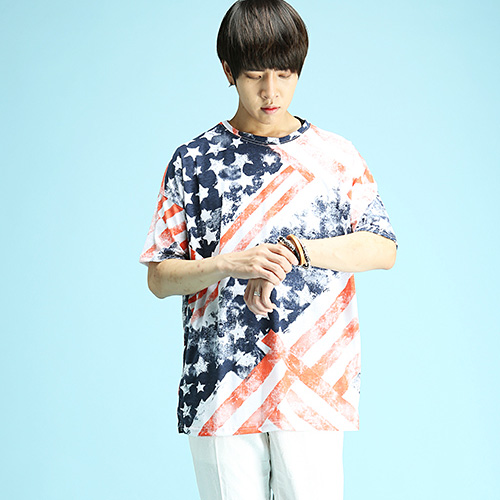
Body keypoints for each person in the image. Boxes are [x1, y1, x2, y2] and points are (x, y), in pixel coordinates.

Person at [140, 0, 397, 498]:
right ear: (228, 72)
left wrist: (297, 250)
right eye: (255, 75)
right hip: (220, 384)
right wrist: (231, 263)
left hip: (312, 384)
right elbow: (159, 277)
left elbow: (382, 248)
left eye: (284, 74)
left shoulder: (335, 156)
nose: (270, 91)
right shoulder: (194, 161)